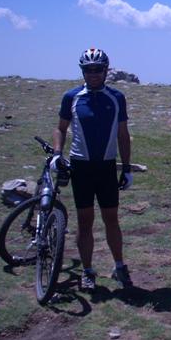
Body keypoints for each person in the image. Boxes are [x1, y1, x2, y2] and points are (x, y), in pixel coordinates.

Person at [51, 48, 134, 291]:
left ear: (106, 71)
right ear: (83, 71)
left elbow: (123, 134)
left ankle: (119, 266)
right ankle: (87, 271)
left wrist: (127, 168)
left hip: (106, 167)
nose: (93, 73)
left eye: (98, 69)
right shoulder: (72, 97)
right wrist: (57, 153)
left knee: (111, 219)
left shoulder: (116, 97)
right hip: (81, 167)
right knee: (85, 221)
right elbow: (60, 128)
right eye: (88, 70)